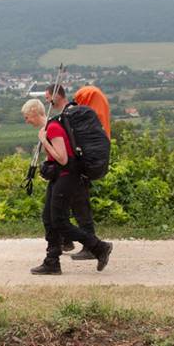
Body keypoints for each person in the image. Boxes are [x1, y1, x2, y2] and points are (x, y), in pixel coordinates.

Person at [22, 97, 112, 275]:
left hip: (67, 177)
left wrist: (44, 140)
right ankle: (52, 261)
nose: (26, 121)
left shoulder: (53, 128)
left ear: (34, 112)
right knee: (48, 218)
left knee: (60, 222)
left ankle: (99, 247)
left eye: (27, 117)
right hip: (59, 177)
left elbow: (63, 158)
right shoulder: (48, 128)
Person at [48, 84, 110, 260]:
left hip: (75, 169)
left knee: (79, 207)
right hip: (81, 167)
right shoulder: (82, 116)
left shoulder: (70, 116)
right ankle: (75, 242)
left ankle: (92, 246)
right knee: (76, 206)